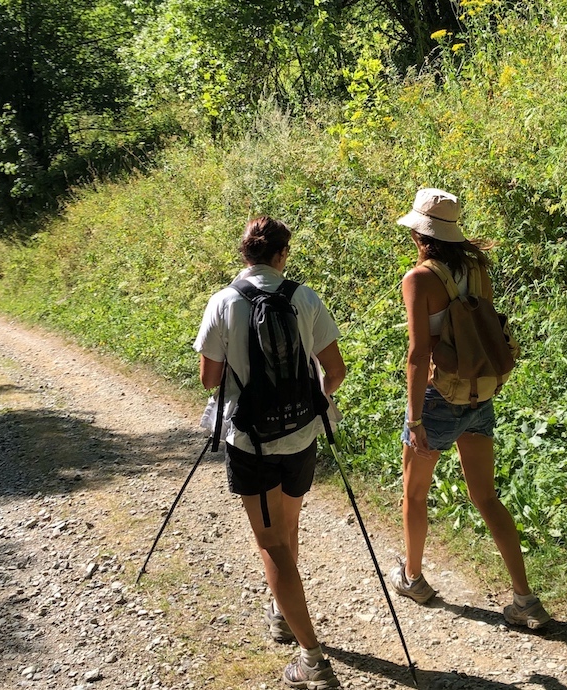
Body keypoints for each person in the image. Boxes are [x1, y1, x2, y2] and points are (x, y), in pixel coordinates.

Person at [389, 188, 551, 630]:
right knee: (486, 496)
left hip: (439, 398)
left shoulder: (418, 279)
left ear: (422, 235)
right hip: (480, 393)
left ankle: (413, 578)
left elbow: (418, 353)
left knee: (414, 493)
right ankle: (524, 599)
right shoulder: (478, 267)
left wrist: (415, 417)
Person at [194, 216, 346, 688]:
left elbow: (210, 379)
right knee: (288, 529)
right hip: (302, 436)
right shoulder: (305, 297)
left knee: (270, 543)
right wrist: (310, 402)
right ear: (282, 255)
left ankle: (312, 659)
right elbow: (334, 371)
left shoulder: (222, 302)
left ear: (245, 254)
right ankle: (282, 613)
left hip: (251, 443)